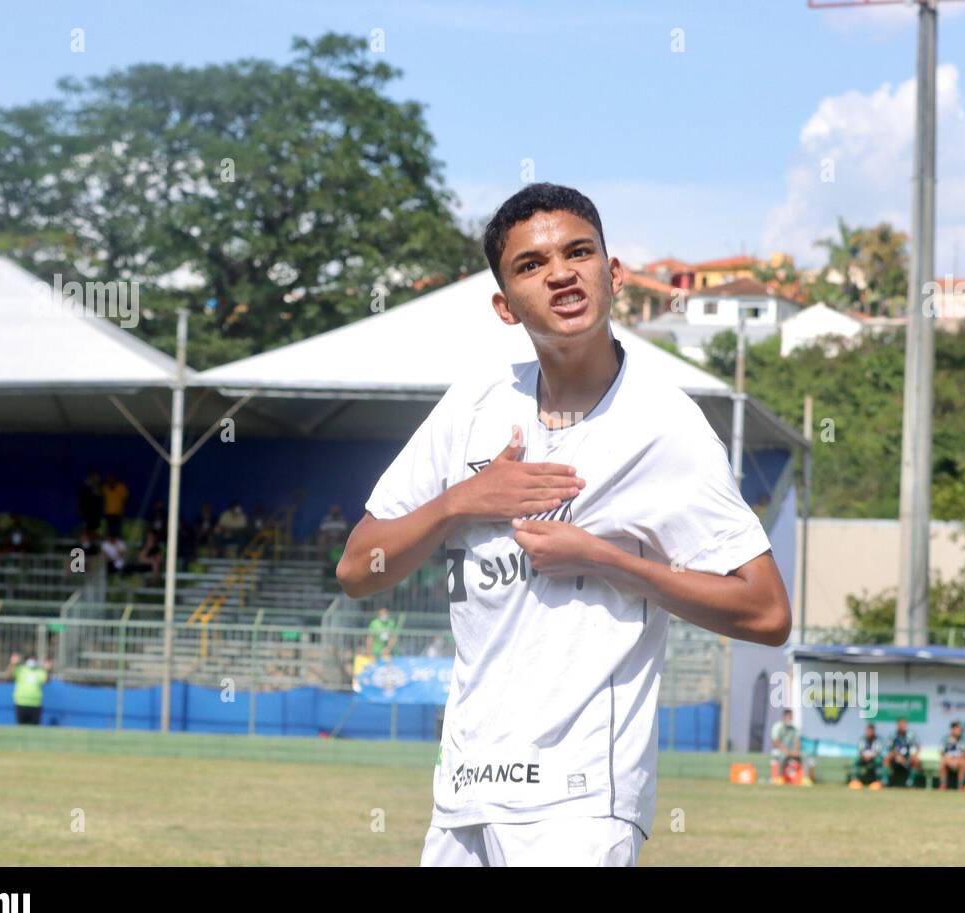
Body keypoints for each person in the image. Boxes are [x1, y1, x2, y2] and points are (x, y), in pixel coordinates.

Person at [337, 184, 791, 867]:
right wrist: (461, 500)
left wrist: (612, 562)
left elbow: (766, 612)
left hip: (580, 802)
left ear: (611, 275)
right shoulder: (474, 407)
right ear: (504, 305)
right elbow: (357, 569)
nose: (559, 273)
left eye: (579, 252)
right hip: (465, 791)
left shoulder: (666, 428)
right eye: (530, 265)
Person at [9, 653, 51, 725]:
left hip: (36, 704)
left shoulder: (40, 671)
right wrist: (12, 664)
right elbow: (9, 676)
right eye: (30, 659)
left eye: (34, 659)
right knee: (21, 728)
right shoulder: (20, 669)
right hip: (20, 703)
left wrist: (47, 670)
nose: (32, 661)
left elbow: (47, 680)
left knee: (34, 730)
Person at [882, 717, 921, 788]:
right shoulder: (893, 735)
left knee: (916, 760)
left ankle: (910, 782)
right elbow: (889, 748)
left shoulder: (911, 735)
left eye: (904, 724)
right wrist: (897, 756)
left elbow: (917, 747)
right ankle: (885, 781)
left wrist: (913, 755)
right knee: (887, 758)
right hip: (896, 758)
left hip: (908, 758)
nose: (903, 726)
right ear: (898, 725)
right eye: (901, 724)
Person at [849, 722, 884, 789]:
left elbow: (877, 752)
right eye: (868, 731)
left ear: (874, 731)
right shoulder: (862, 739)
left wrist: (870, 756)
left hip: (873, 758)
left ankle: (879, 781)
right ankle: (855, 780)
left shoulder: (878, 740)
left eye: (871, 731)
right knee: (857, 759)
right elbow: (860, 751)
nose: (869, 732)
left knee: (879, 760)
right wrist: (864, 756)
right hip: (864, 758)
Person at [938, 721, 965, 791]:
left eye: (960, 730)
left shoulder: (963, 740)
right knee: (943, 762)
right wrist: (949, 760)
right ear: (953, 730)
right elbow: (941, 752)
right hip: (948, 760)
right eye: (958, 729)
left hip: (959, 760)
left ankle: (960, 786)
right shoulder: (945, 739)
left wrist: (957, 760)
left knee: (963, 762)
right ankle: (943, 785)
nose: (960, 731)